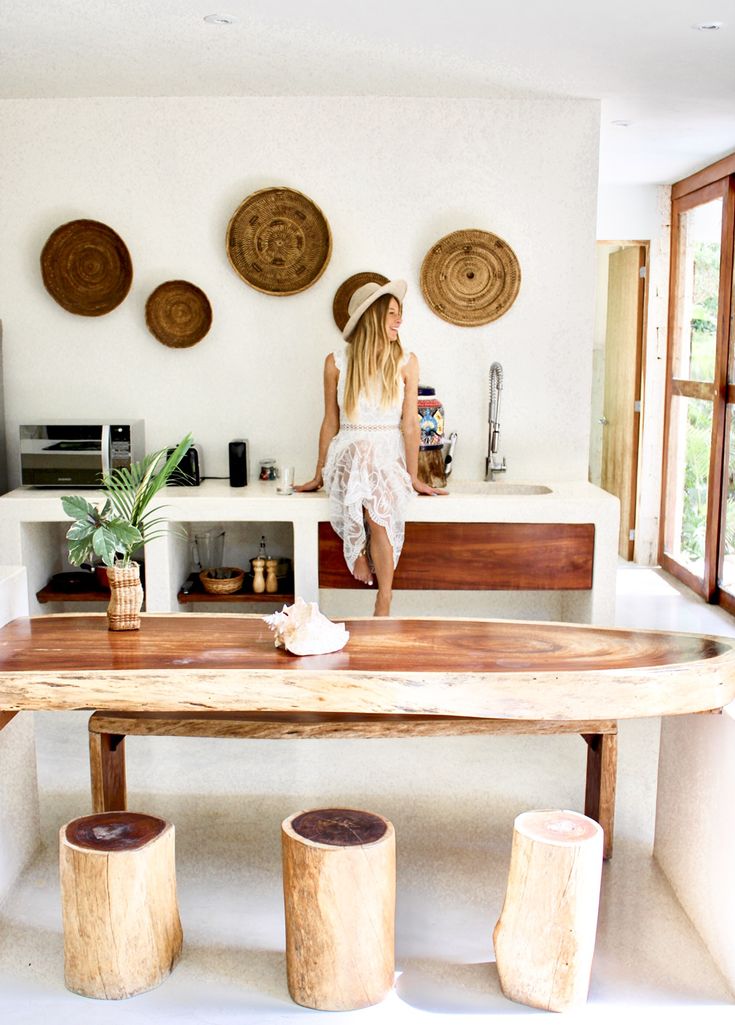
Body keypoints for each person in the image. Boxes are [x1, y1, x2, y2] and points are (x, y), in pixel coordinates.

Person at [296, 279, 444, 616]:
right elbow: (330, 422)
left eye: (399, 314)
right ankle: (364, 559)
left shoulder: (407, 362)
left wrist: (414, 476)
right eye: (392, 313)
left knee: (375, 481)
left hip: (386, 460)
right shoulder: (336, 362)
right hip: (348, 457)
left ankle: (383, 595)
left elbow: (410, 425)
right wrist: (318, 473)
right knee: (360, 450)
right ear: (374, 316)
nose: (399, 320)